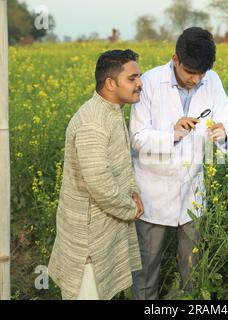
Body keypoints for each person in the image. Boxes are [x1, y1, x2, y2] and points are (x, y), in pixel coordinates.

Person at [130, 27, 228, 299]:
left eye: (201, 74)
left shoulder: (212, 81)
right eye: (190, 72)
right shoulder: (150, 83)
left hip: (192, 191)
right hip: (153, 191)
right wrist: (172, 134)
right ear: (175, 59)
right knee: (146, 267)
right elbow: (138, 138)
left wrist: (224, 132)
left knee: (192, 267)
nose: (196, 79)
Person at [48, 49, 144, 300]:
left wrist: (133, 192)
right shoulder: (93, 122)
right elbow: (99, 182)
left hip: (105, 225)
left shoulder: (111, 112)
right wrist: (130, 208)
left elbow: (121, 163)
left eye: (139, 77)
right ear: (111, 83)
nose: (140, 84)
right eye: (132, 78)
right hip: (88, 240)